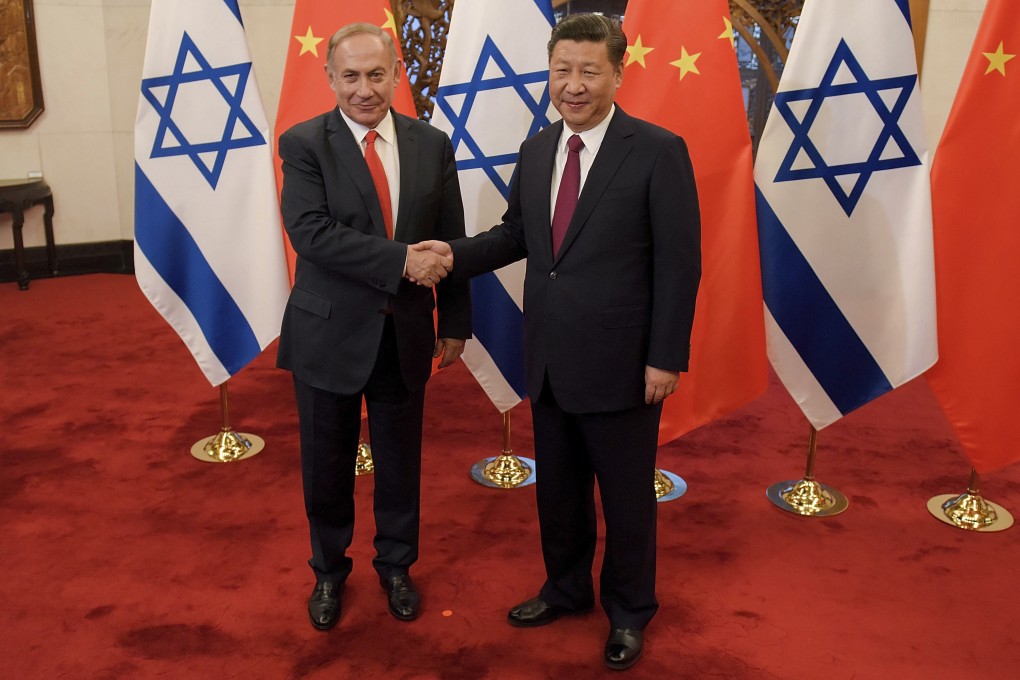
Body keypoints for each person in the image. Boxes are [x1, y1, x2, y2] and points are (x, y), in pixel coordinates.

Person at [413, 13, 700, 670]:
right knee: (559, 491)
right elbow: (518, 235)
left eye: (588, 71)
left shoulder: (657, 150)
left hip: (625, 364)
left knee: (627, 500)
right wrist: (452, 254)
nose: (573, 85)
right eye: (561, 70)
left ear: (618, 73)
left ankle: (629, 612)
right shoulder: (539, 148)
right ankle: (566, 589)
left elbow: (680, 265)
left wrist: (665, 356)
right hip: (545, 355)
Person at [276, 22, 470, 631]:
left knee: (399, 463)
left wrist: (456, 321)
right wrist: (401, 261)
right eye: (351, 76)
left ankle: (397, 567)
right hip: (327, 334)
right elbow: (310, 233)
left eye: (377, 74)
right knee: (327, 466)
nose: (365, 89)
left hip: (404, 333)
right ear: (330, 78)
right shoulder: (304, 143)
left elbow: (452, 238)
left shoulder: (431, 144)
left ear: (396, 75)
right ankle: (329, 573)